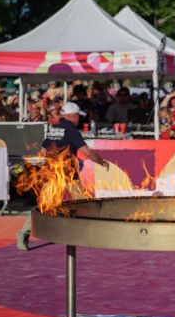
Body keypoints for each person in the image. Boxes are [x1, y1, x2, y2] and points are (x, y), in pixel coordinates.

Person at [16, 102, 109, 250]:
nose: (79, 119)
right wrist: (101, 161)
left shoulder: (54, 129)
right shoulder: (71, 130)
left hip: (53, 173)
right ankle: (93, 232)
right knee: (84, 203)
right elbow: (86, 151)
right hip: (68, 174)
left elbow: (42, 151)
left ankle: (23, 233)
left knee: (43, 205)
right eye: (78, 115)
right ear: (71, 116)